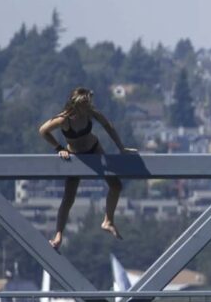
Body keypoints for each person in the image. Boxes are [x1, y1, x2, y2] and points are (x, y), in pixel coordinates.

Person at [38, 87, 138, 249]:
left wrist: (121, 147)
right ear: (75, 104)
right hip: (76, 157)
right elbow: (43, 131)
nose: (88, 105)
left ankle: (108, 220)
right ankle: (58, 236)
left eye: (88, 102)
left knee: (116, 185)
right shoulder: (64, 119)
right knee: (69, 197)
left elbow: (108, 126)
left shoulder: (90, 113)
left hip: (94, 150)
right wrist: (59, 148)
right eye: (85, 102)